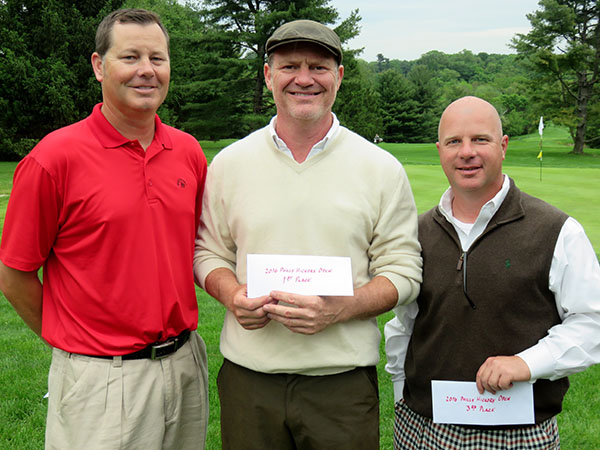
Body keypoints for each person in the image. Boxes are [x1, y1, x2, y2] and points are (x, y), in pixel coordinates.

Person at [194, 19, 422, 450]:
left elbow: (405, 272)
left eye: (318, 67)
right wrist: (231, 295)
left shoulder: (380, 169)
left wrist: (341, 309)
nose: (303, 79)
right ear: (267, 75)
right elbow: (208, 252)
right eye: (289, 66)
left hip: (341, 385)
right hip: (249, 381)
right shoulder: (230, 163)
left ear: (338, 76)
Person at [0, 9, 209, 450]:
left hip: (186, 364)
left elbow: (196, 248)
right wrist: (77, 344)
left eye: (158, 58)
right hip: (100, 378)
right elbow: (15, 274)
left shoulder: (187, 152)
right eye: (130, 57)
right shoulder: (54, 158)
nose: (146, 71)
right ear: (99, 66)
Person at [385, 96, 600, 449]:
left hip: (517, 431)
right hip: (423, 425)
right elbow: (404, 324)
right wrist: (401, 395)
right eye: (454, 141)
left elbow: (592, 322)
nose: (466, 152)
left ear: (503, 147)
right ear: (440, 150)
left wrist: (525, 363)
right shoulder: (417, 232)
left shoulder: (557, 230)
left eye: (480, 140)